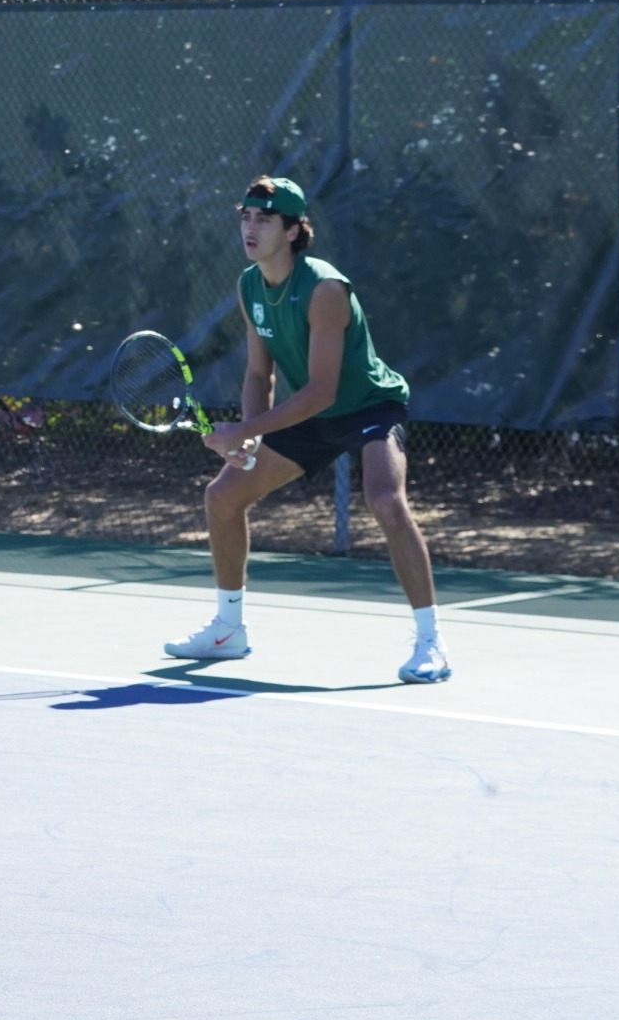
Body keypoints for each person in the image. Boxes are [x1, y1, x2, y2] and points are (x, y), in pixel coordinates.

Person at [163, 176, 450, 684]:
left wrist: (246, 428)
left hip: (368, 407)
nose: (250, 229)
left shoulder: (324, 289)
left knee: (385, 500)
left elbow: (322, 389)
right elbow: (259, 373)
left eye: (266, 220)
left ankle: (431, 643)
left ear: (294, 231)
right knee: (223, 496)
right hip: (312, 418)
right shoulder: (250, 284)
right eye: (246, 217)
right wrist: (249, 436)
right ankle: (229, 630)